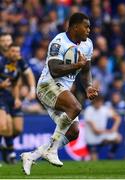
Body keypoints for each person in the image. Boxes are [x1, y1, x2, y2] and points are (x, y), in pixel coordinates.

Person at [21, 12, 98, 175]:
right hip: (46, 86)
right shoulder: (59, 42)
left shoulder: (88, 44)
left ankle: (31, 155)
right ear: (75, 27)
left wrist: (88, 86)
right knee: (76, 107)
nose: (89, 30)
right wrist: (77, 65)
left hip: (62, 92)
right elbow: (55, 70)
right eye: (86, 27)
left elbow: (86, 70)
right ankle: (51, 150)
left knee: (74, 131)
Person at [0, 33, 36, 163]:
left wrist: (18, 97)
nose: (6, 42)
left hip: (11, 97)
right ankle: (10, 153)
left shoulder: (18, 61)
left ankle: (6, 146)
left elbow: (17, 81)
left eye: (8, 40)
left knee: (18, 128)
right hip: (1, 97)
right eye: (3, 40)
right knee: (4, 125)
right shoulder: (1, 60)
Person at [84, 95, 121, 160]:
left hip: (102, 137)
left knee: (118, 138)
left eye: (100, 102)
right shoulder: (88, 110)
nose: (98, 103)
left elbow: (118, 118)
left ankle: (111, 155)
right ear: (93, 102)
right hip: (91, 139)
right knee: (94, 160)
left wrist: (114, 128)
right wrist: (109, 131)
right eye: (97, 102)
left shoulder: (105, 109)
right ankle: (86, 157)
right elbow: (95, 131)